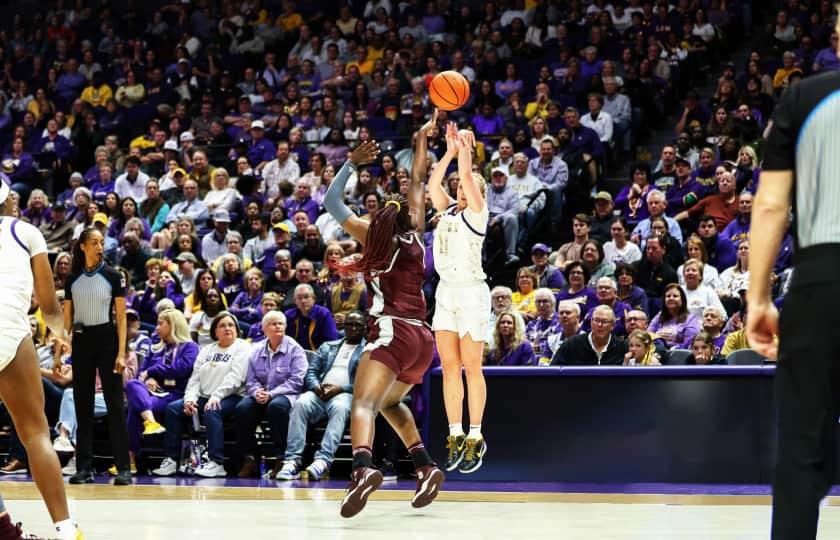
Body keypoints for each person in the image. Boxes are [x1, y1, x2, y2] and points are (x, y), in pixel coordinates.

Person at [323, 121, 444, 517]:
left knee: (363, 403)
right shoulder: (416, 235)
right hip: (422, 339)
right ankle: (425, 466)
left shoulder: (371, 235)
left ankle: (362, 469)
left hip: (392, 332)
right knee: (390, 403)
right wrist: (422, 139)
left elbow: (331, 202)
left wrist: (351, 163)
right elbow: (418, 180)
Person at [745, 44, 840, 538]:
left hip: (821, 279)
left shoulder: (803, 97)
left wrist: (758, 299)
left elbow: (769, 205)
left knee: (801, 446)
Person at [0, 180, 84, 539]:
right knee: (35, 434)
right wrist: (63, 336)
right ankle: (66, 530)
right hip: (9, 331)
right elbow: (49, 306)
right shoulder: (25, 232)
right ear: (7, 201)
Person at [428, 122, 490, 474]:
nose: (462, 190)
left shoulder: (478, 215)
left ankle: (476, 436)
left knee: (471, 367)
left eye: (468, 188)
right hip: (446, 292)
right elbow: (433, 184)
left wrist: (465, 150)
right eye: (460, 189)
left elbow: (465, 175)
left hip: (471, 293)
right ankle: (455, 434)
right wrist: (449, 152)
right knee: (449, 367)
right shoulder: (449, 210)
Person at [64, 227, 132, 488]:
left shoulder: (113, 276)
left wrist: (121, 353)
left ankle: (123, 468)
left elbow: (121, 319)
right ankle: (84, 468)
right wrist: (59, 352)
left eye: (101, 242)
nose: (100, 247)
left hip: (107, 340)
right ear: (82, 246)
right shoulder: (72, 280)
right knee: (83, 405)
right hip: (81, 341)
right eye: (94, 242)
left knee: (115, 405)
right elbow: (67, 322)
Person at [154, 311, 250, 478]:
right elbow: (195, 378)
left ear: (237, 329)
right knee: (173, 409)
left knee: (212, 410)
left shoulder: (243, 348)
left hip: (232, 396)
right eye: (222, 325)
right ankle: (172, 460)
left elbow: (236, 378)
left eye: (231, 325)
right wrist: (190, 400)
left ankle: (216, 463)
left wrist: (217, 396)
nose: (227, 328)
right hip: (204, 396)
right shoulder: (207, 350)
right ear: (215, 331)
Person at [276, 310, 367, 481]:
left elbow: (366, 382)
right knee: (300, 404)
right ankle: (292, 460)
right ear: (344, 327)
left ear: (365, 328)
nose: (354, 328)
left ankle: (323, 461)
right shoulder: (328, 346)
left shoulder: (368, 351)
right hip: (319, 393)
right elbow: (311, 371)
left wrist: (340, 388)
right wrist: (316, 386)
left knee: (340, 408)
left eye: (358, 325)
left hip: (345, 394)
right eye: (350, 324)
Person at [234, 311, 307, 478]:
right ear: (264, 329)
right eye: (273, 324)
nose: (278, 326)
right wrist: (256, 392)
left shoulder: (295, 349)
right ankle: (251, 457)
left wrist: (271, 394)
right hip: (262, 394)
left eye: (281, 323)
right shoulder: (256, 349)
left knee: (276, 407)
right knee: (242, 409)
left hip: (287, 394)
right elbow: (251, 380)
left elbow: (297, 381)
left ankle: (282, 458)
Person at [550, 305, 627, 365]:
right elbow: (553, 371)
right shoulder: (571, 344)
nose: (600, 325)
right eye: (596, 320)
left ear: (613, 326)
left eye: (605, 321)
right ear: (591, 322)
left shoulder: (620, 347)